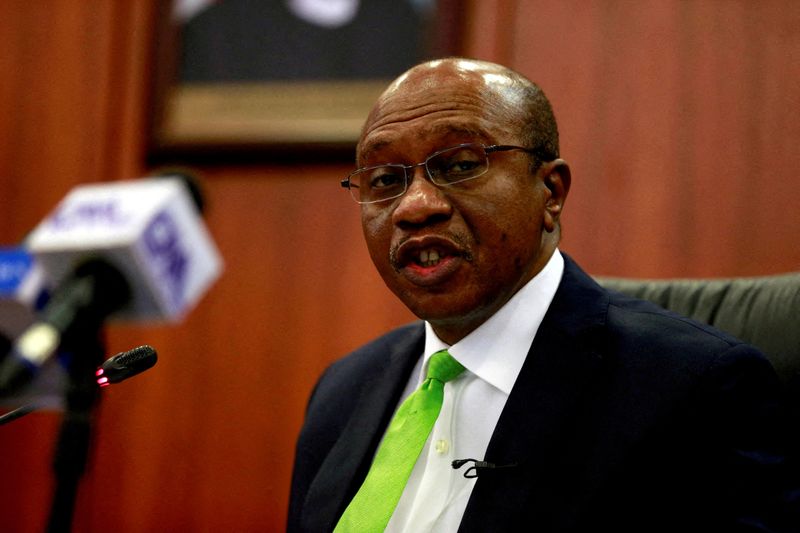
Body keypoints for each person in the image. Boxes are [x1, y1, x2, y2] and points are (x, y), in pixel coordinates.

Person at [288, 58, 794, 532]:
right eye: (384, 179)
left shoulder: (696, 389)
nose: (414, 207)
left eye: (462, 165)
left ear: (550, 191)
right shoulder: (343, 390)